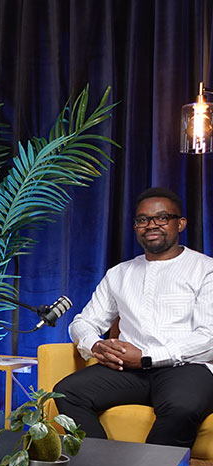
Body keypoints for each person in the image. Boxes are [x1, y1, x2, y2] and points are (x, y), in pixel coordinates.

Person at [55, 187, 213, 449]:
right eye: (143, 220)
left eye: (162, 218)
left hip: (187, 368)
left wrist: (147, 357)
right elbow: (83, 322)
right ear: (136, 226)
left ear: (180, 223)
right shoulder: (120, 273)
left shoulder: (206, 269)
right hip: (128, 370)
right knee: (68, 392)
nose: (151, 225)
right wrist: (95, 345)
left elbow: (208, 336)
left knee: (181, 407)